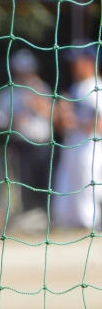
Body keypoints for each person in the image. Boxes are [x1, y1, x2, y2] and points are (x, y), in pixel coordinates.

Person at [0, 49, 53, 214]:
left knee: (47, 182)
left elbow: (54, 114)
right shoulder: (7, 93)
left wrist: (39, 103)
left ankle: (47, 215)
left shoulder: (42, 88)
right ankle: (27, 214)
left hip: (44, 144)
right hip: (22, 145)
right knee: (24, 182)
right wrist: (13, 119)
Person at [52, 43, 102, 230]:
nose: (73, 66)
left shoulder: (96, 88)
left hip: (91, 148)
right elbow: (61, 127)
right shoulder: (75, 89)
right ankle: (70, 227)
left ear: (89, 62)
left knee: (87, 189)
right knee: (65, 189)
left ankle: (91, 227)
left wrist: (76, 122)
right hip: (72, 146)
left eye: (77, 61)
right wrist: (60, 115)